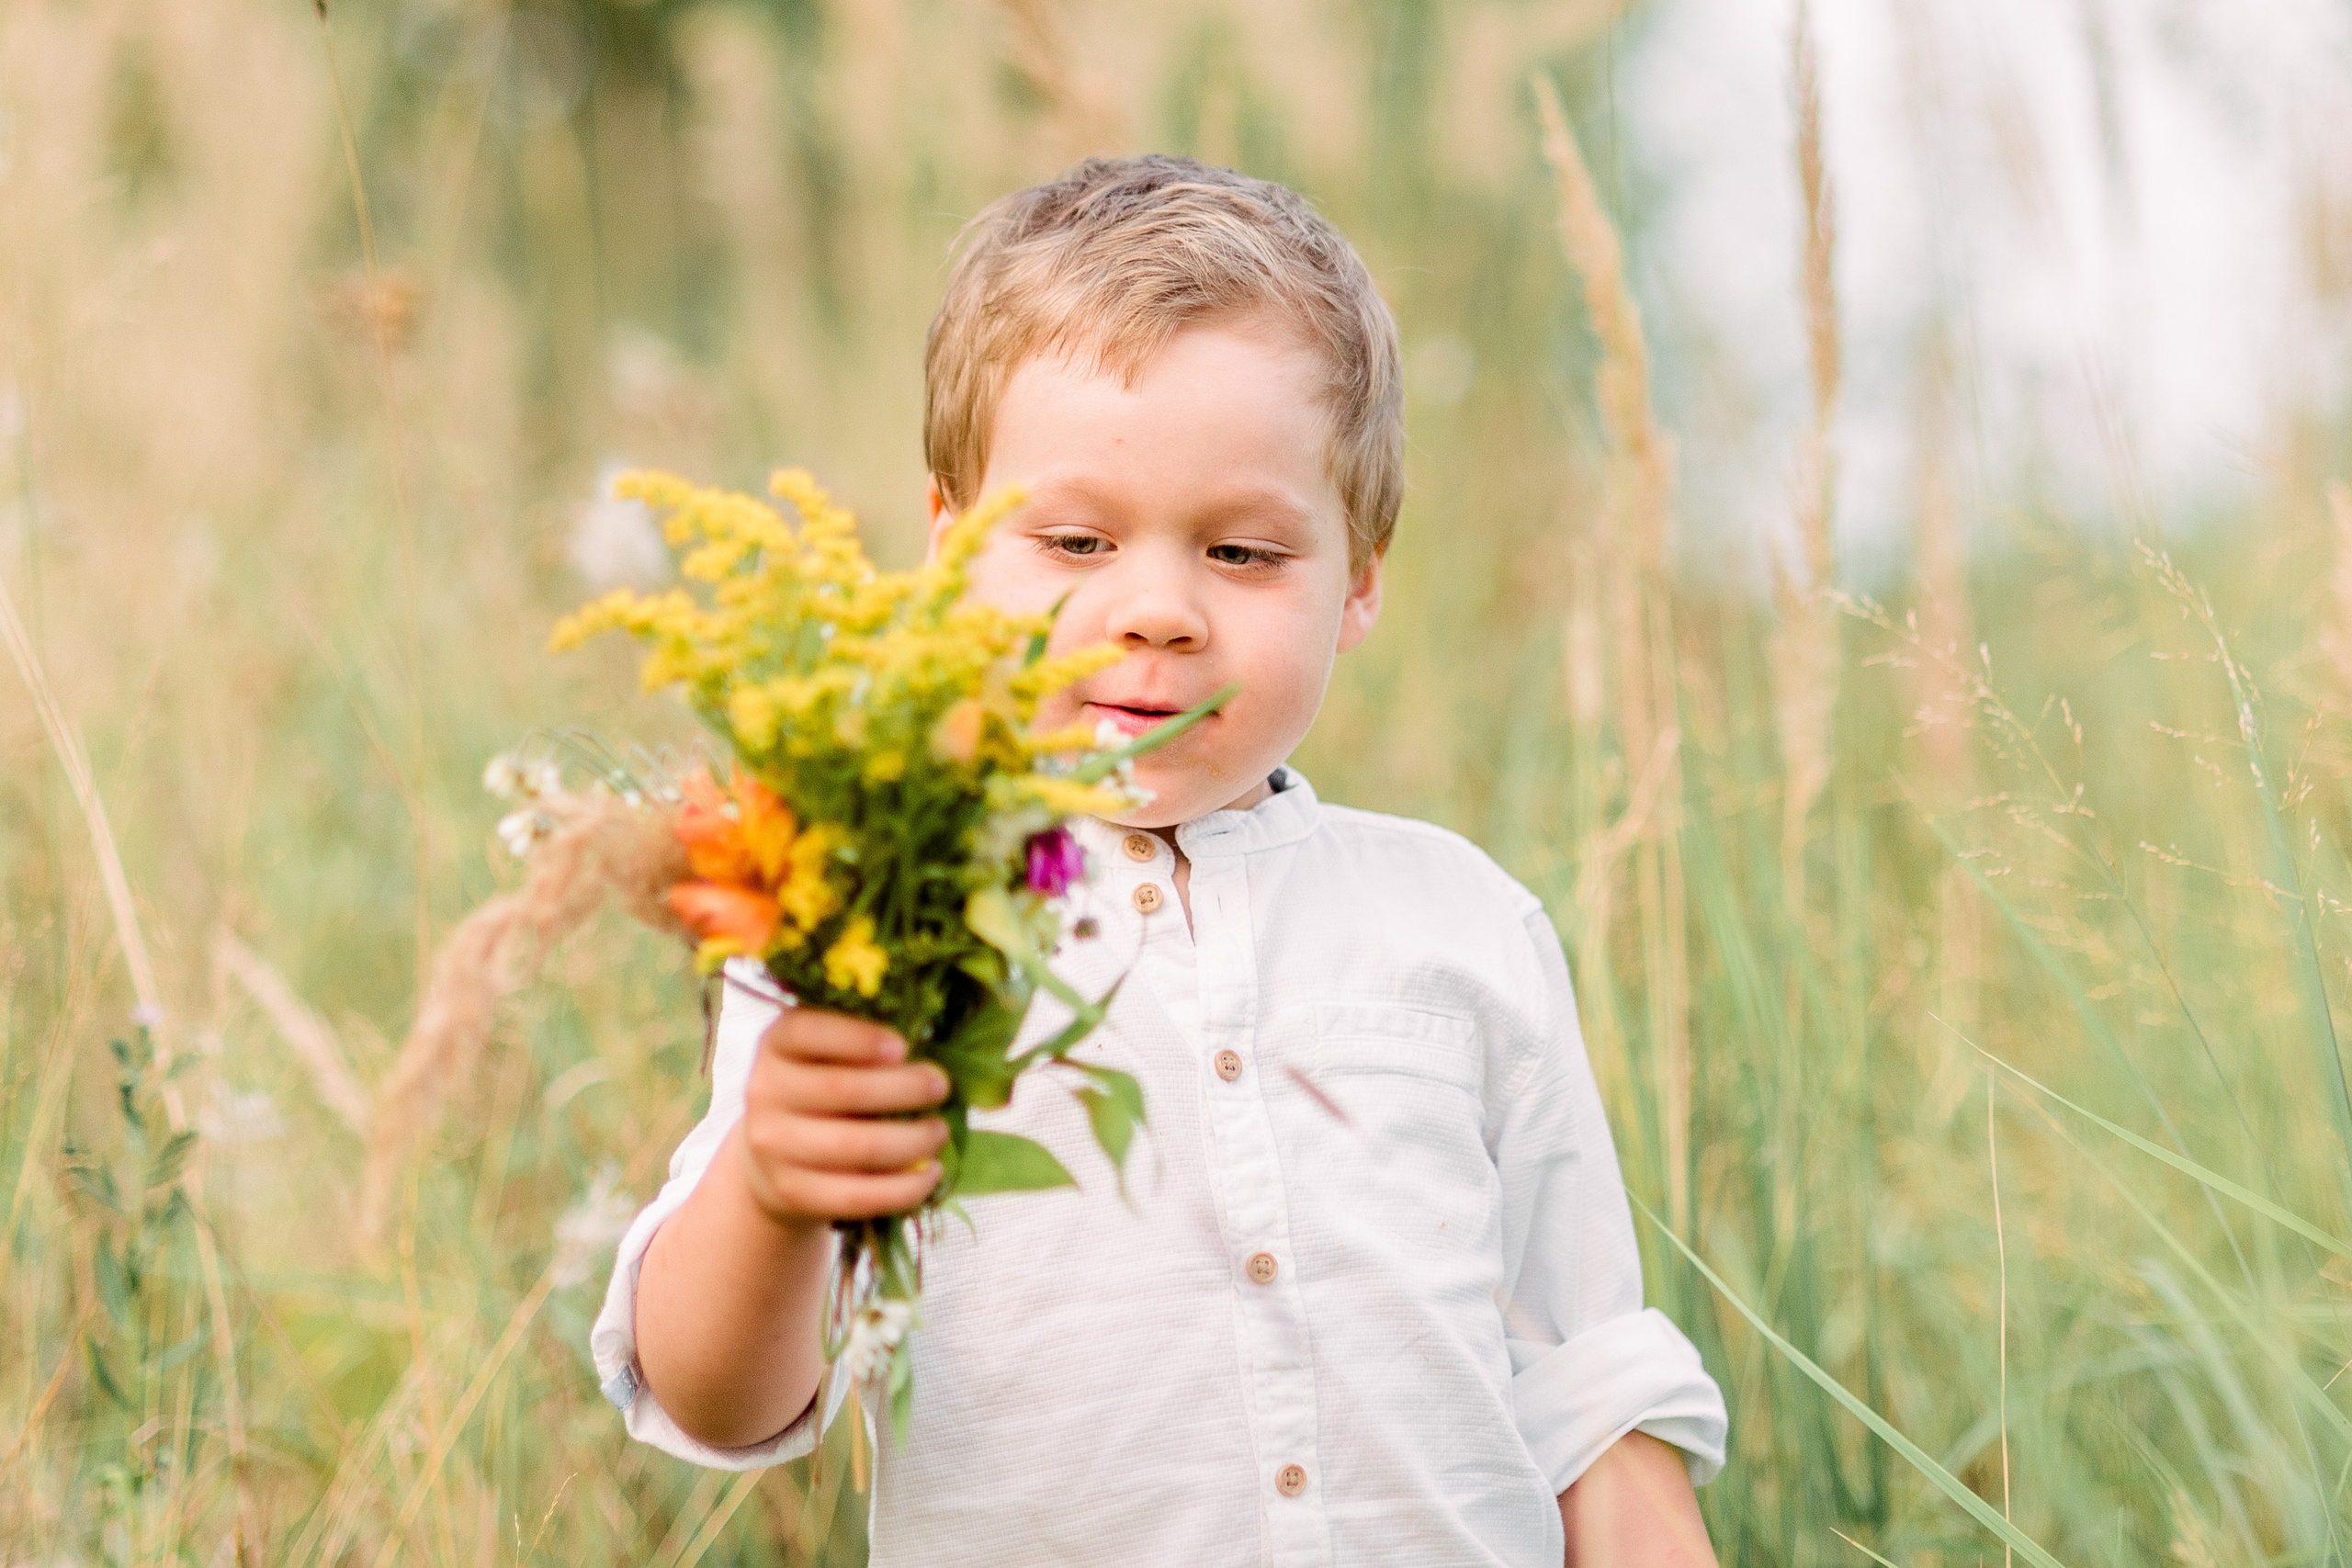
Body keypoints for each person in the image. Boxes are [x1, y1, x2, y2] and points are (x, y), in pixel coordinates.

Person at [594, 154, 1727, 1567]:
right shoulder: (875, 918)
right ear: (949, 544)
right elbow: (723, 1393)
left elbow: (1591, 1395)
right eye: (1075, 540)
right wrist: (776, 1182)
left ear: (1360, 575)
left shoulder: (1463, 922)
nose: (1157, 611)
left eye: (1246, 554)